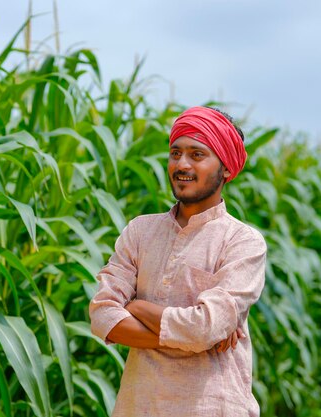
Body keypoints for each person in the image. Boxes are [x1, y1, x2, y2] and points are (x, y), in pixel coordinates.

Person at [89, 106, 266, 416]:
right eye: (175, 153)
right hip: (138, 407)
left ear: (226, 168)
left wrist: (135, 307)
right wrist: (197, 338)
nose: (181, 164)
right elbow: (103, 315)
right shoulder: (141, 231)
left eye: (197, 155)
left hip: (214, 407)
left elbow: (205, 326)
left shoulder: (242, 242)